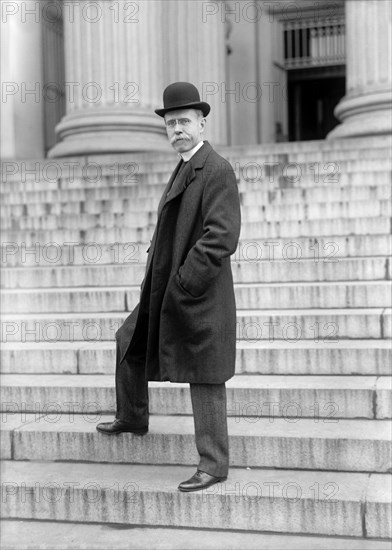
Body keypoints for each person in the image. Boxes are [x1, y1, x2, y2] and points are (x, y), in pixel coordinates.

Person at [97, 82, 241, 492]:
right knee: (129, 336)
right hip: (166, 286)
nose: (177, 129)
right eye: (170, 122)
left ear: (202, 123)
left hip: (198, 294)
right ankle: (133, 416)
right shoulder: (185, 165)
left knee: (207, 374)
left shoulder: (216, 168)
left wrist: (183, 283)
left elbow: (221, 238)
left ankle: (213, 464)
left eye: (184, 121)